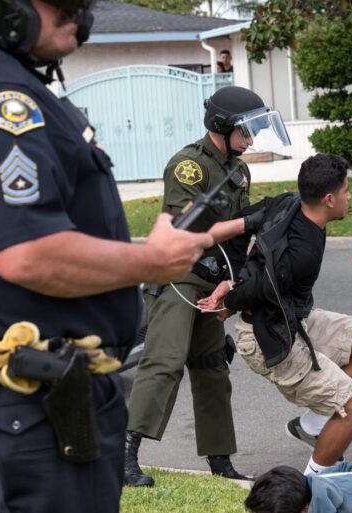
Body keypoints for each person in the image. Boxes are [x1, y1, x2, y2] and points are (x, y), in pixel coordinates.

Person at [0, 0, 214, 510]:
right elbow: (28, 254)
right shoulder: (0, 97)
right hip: (33, 399)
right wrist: (152, 262)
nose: (79, 13)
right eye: (63, 1)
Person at [124, 85, 290, 486]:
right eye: (244, 131)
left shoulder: (239, 169)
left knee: (213, 367)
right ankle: (123, 455)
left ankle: (220, 460)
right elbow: (185, 229)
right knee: (163, 362)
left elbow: (232, 241)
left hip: (214, 279)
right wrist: (244, 221)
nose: (250, 140)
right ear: (221, 126)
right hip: (180, 274)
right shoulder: (189, 167)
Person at [198, 153, 352, 475]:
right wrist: (229, 294)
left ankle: (312, 424)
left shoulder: (289, 202)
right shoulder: (301, 254)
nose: (349, 195)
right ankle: (314, 483)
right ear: (329, 199)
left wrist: (226, 276)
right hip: (268, 336)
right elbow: (258, 289)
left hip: (292, 317)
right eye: (345, 190)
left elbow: (247, 221)